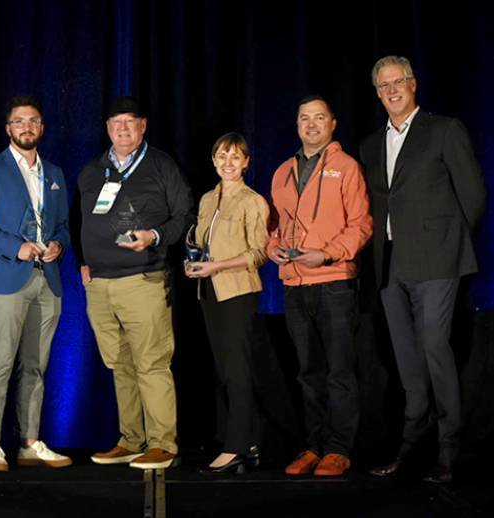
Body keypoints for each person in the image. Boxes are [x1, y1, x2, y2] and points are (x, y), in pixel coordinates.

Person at [360, 56, 487, 484]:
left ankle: (449, 451)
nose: (392, 90)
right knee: (407, 360)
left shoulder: (444, 130)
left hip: (437, 261)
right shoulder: (370, 144)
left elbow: (473, 195)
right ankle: (411, 448)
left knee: (435, 349)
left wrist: (449, 247)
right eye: (384, 85)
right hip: (391, 264)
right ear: (377, 93)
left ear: (413, 85)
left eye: (399, 82)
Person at [78, 96, 194, 470]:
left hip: (143, 279)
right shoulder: (93, 170)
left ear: (143, 126)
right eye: (116, 124)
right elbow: (81, 219)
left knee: (152, 363)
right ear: (107, 129)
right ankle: (131, 440)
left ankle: (163, 443)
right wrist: (83, 262)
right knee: (120, 366)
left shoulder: (161, 165)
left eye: (130, 122)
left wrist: (155, 237)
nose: (123, 129)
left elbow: (184, 215)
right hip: (100, 285)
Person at [267, 95, 372, 477]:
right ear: (297, 125)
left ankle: (339, 448)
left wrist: (327, 254)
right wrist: (273, 248)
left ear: (332, 123)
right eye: (304, 119)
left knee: (339, 370)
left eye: (319, 118)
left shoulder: (346, 167)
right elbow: (274, 227)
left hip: (334, 282)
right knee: (308, 372)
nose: (311, 125)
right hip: (294, 284)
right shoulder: (281, 171)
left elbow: (361, 224)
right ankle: (313, 445)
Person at [0, 95, 72, 472]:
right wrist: (17, 247)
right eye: (19, 121)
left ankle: (29, 442)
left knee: (36, 367)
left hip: (48, 280)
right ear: (8, 128)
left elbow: (61, 224)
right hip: (7, 278)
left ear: (41, 128)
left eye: (33, 121)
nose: (26, 127)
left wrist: (58, 243)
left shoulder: (55, 173)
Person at [184, 132, 269, 473]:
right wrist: (193, 262)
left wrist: (218, 266)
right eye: (222, 156)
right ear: (214, 161)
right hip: (209, 292)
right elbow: (200, 241)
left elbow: (259, 253)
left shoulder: (253, 201)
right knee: (222, 371)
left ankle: (237, 447)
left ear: (246, 162)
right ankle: (239, 439)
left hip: (237, 292)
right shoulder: (207, 199)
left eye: (235, 157)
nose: (228, 163)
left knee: (237, 370)